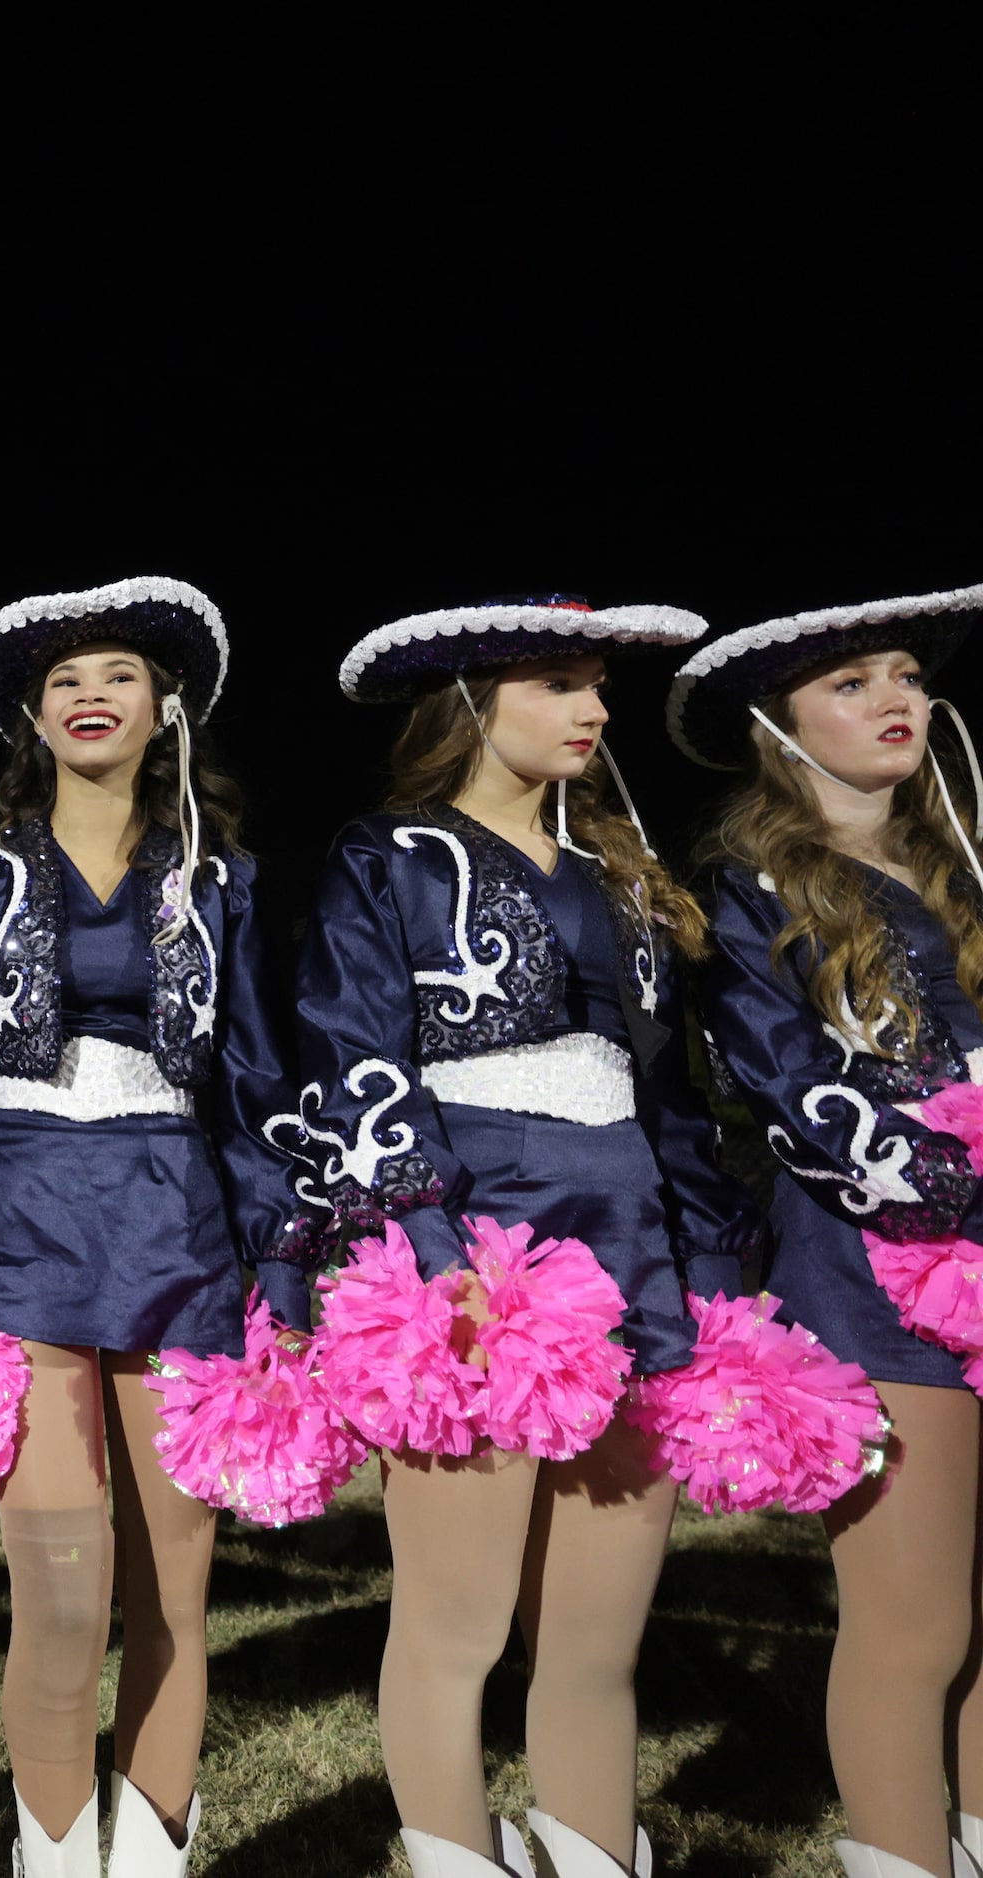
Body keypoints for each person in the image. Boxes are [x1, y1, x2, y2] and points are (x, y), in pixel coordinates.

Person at [283, 598, 761, 1878]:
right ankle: (451, 1858)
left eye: (594, 685)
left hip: (631, 1254)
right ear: (468, 703)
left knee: (599, 1640)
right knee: (455, 1626)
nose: (593, 712)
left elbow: (674, 1096)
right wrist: (442, 1264)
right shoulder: (384, 856)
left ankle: (593, 1855)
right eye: (557, 684)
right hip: (476, 1257)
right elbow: (352, 1060)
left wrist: (708, 1285)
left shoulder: (623, 876)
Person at [0, 579, 298, 1878]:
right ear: (32, 711)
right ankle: (54, 1855)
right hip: (21, 1219)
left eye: (116, 673)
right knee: (62, 1595)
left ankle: (152, 1856)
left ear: (164, 703)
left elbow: (256, 1082)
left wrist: (279, 1267)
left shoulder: (219, 880)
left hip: (179, 1227)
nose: (89, 696)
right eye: (65, 679)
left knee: (171, 1602)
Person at [671, 584, 983, 1878]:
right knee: (911, 1627)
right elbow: (780, 1075)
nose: (894, 698)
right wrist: (937, 1177)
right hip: (875, 1264)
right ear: (777, 724)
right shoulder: (744, 884)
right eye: (851, 682)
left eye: (905, 673)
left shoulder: (968, 861)